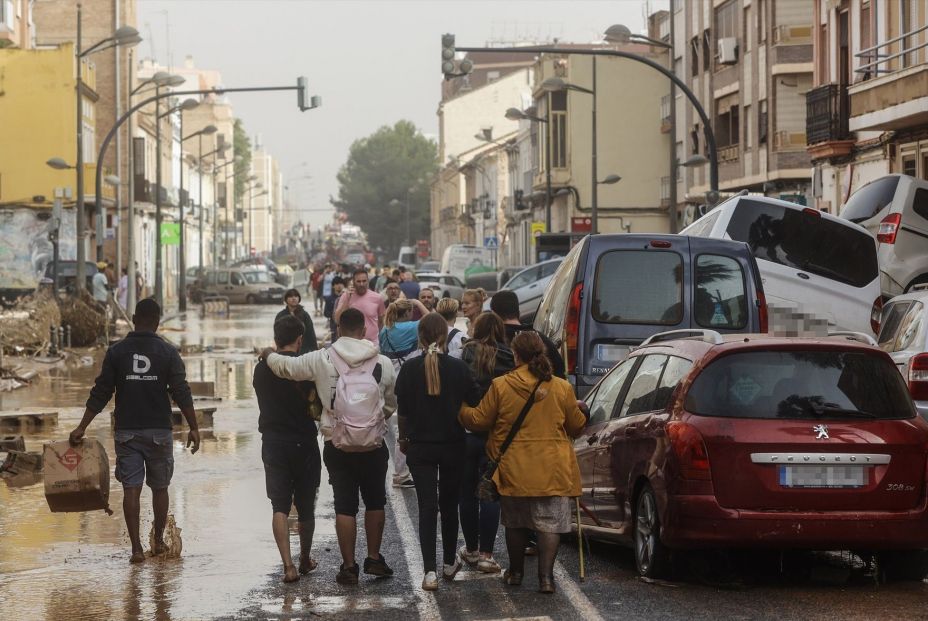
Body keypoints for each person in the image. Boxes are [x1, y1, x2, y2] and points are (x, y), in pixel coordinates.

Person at [265, 308, 397, 586]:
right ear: (363, 331)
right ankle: (374, 557)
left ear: (338, 329)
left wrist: (267, 354)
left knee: (345, 504)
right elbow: (390, 404)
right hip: (373, 445)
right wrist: (370, 424)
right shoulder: (382, 363)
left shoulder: (322, 358)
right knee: (375, 501)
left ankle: (349, 567)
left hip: (337, 443)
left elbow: (285, 367)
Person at [69, 298, 200, 564]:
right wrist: (194, 427)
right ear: (158, 321)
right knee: (160, 488)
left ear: (132, 317)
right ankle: (159, 541)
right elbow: (181, 392)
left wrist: (82, 426)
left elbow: (101, 391)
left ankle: (137, 550)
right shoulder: (168, 353)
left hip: (127, 431)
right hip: (159, 432)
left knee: (132, 489)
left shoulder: (117, 352)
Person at [459, 331, 586, 594]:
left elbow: (479, 420)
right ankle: (546, 578)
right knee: (550, 523)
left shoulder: (502, 385)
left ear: (515, 355)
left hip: (514, 467)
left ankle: (515, 573)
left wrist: (459, 407)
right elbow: (576, 426)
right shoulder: (562, 387)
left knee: (516, 522)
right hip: (553, 468)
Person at [395, 314, 481, 591]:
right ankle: (447, 564)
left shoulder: (409, 369)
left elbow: (403, 411)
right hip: (453, 445)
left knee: (427, 507)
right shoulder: (458, 368)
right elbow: (475, 401)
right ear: (445, 336)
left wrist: (404, 439)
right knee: (448, 505)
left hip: (420, 447)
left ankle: (429, 572)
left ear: (420, 337)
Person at [254, 315, 321, 583]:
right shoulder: (305, 369)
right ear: (300, 339)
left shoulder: (260, 369)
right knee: (306, 507)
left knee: (279, 505)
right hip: (304, 442)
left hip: (273, 442)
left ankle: (288, 566)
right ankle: (305, 558)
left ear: (275, 338)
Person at [458, 313, 515, 574]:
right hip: (497, 434)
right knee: (490, 493)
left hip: (468, 430)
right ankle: (486, 555)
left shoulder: (468, 351)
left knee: (467, 492)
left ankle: (470, 549)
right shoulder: (510, 357)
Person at [379, 298, 431, 490]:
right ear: (408, 313)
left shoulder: (385, 330)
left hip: (390, 379)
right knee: (406, 426)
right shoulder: (411, 327)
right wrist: (418, 303)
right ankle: (401, 473)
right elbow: (433, 319)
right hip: (408, 379)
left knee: (397, 421)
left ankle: (401, 470)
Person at [490, 290, 565, 379]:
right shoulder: (540, 338)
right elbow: (560, 372)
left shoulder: (492, 342)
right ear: (518, 311)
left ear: (494, 315)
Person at [334, 269, 385, 344]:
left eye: (364, 281)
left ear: (368, 281)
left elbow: (381, 320)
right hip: (351, 344)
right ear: (353, 282)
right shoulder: (346, 296)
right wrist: (347, 299)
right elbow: (337, 320)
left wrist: (378, 338)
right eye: (358, 281)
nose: (361, 284)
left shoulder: (377, 297)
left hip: (372, 344)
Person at [275, 288, 319, 355]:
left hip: (303, 350)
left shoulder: (305, 315)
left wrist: (315, 350)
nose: (294, 298)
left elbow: (311, 333)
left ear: (299, 298)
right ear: (286, 299)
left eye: (296, 296)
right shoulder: (281, 315)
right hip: (285, 350)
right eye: (291, 296)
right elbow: (277, 334)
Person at [324, 277, 346, 342]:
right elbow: (325, 313)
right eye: (336, 284)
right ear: (333, 286)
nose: (339, 285)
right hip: (334, 326)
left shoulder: (346, 297)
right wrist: (334, 314)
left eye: (341, 283)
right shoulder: (329, 299)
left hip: (345, 325)